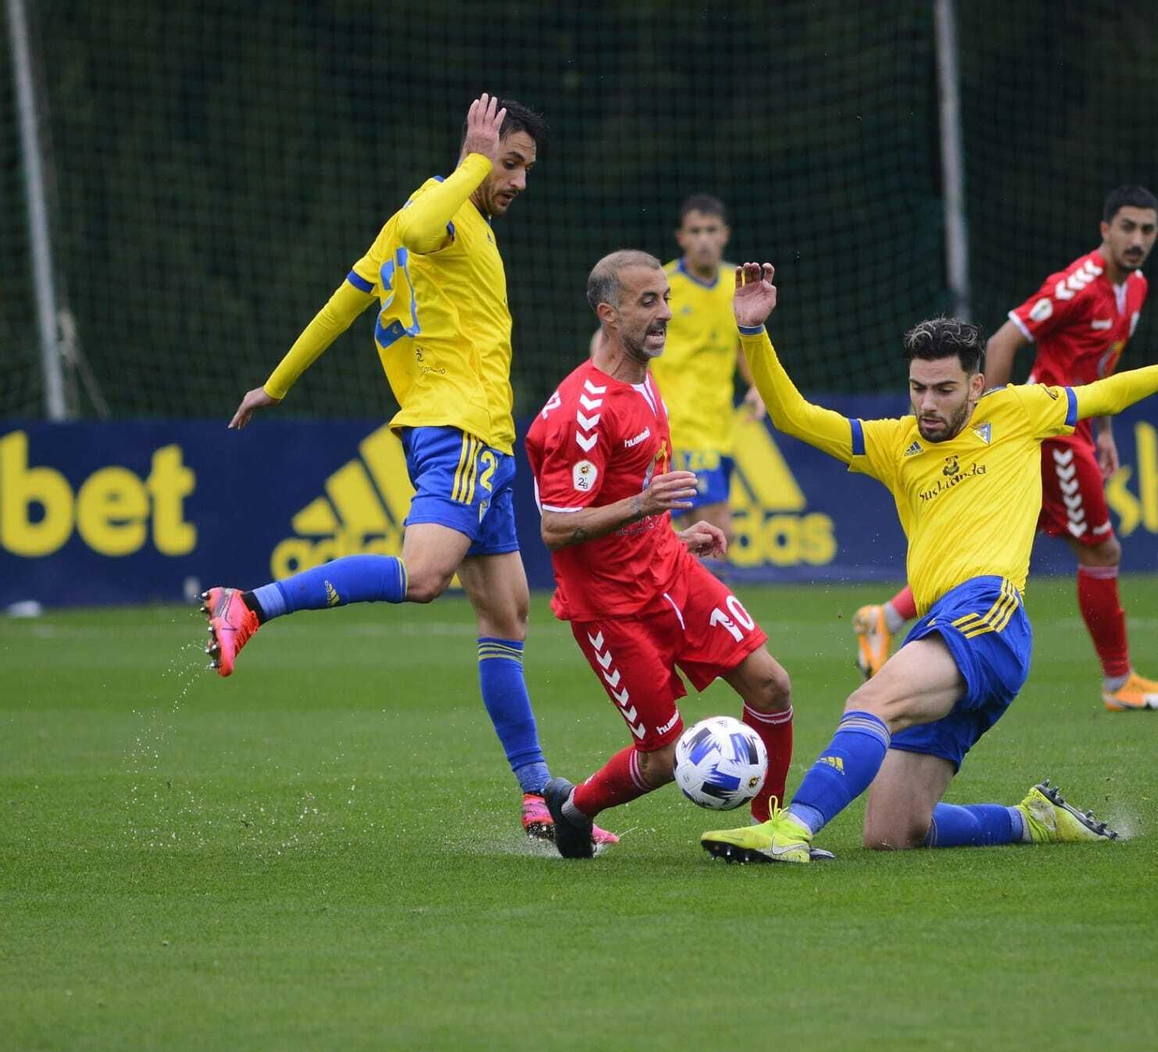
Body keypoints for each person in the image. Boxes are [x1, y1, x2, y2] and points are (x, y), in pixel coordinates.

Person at [700, 261, 1158, 863]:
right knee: (893, 830)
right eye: (917, 388)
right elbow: (792, 416)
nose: (927, 404)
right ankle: (1033, 821)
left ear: (977, 386)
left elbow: (1106, 392)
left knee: (869, 702)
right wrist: (753, 333)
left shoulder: (1018, 411)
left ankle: (792, 829)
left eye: (944, 389)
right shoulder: (893, 443)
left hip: (988, 614)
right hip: (940, 629)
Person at [202, 95, 614, 847]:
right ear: (478, 153)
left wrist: (277, 383)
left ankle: (537, 799)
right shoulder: (441, 210)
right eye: (510, 163)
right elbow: (423, 228)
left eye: (524, 168)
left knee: (508, 616)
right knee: (423, 575)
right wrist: (472, 165)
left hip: (487, 441)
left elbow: (344, 302)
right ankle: (250, 603)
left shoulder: (439, 219)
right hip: (458, 428)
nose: (517, 181)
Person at [852, 186, 1158, 714]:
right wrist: (991, 426)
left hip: (1076, 426)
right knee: (1101, 551)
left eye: (1147, 230)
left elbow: (1101, 366)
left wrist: (1103, 432)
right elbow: (1004, 341)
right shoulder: (1077, 285)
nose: (1137, 239)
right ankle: (1119, 681)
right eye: (1127, 227)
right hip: (1049, 435)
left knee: (1004, 538)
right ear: (1105, 229)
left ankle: (885, 617)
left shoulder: (1135, 287)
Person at [526, 250, 798, 860]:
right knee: (664, 758)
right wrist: (645, 505)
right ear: (608, 313)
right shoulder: (580, 413)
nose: (666, 313)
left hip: (671, 572)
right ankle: (574, 809)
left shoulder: (646, 379)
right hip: (611, 608)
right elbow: (557, 527)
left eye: (667, 298)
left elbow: (634, 497)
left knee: (771, 686)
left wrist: (673, 535)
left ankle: (770, 829)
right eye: (648, 302)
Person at [587, 194, 765, 547]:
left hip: (719, 428)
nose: (704, 239)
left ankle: (663, 583)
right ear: (681, 237)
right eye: (695, 231)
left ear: (725, 234)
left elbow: (742, 344)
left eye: (711, 230)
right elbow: (606, 335)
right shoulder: (661, 285)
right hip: (676, 427)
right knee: (717, 532)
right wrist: (603, 389)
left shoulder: (737, 285)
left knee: (680, 537)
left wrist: (758, 386)